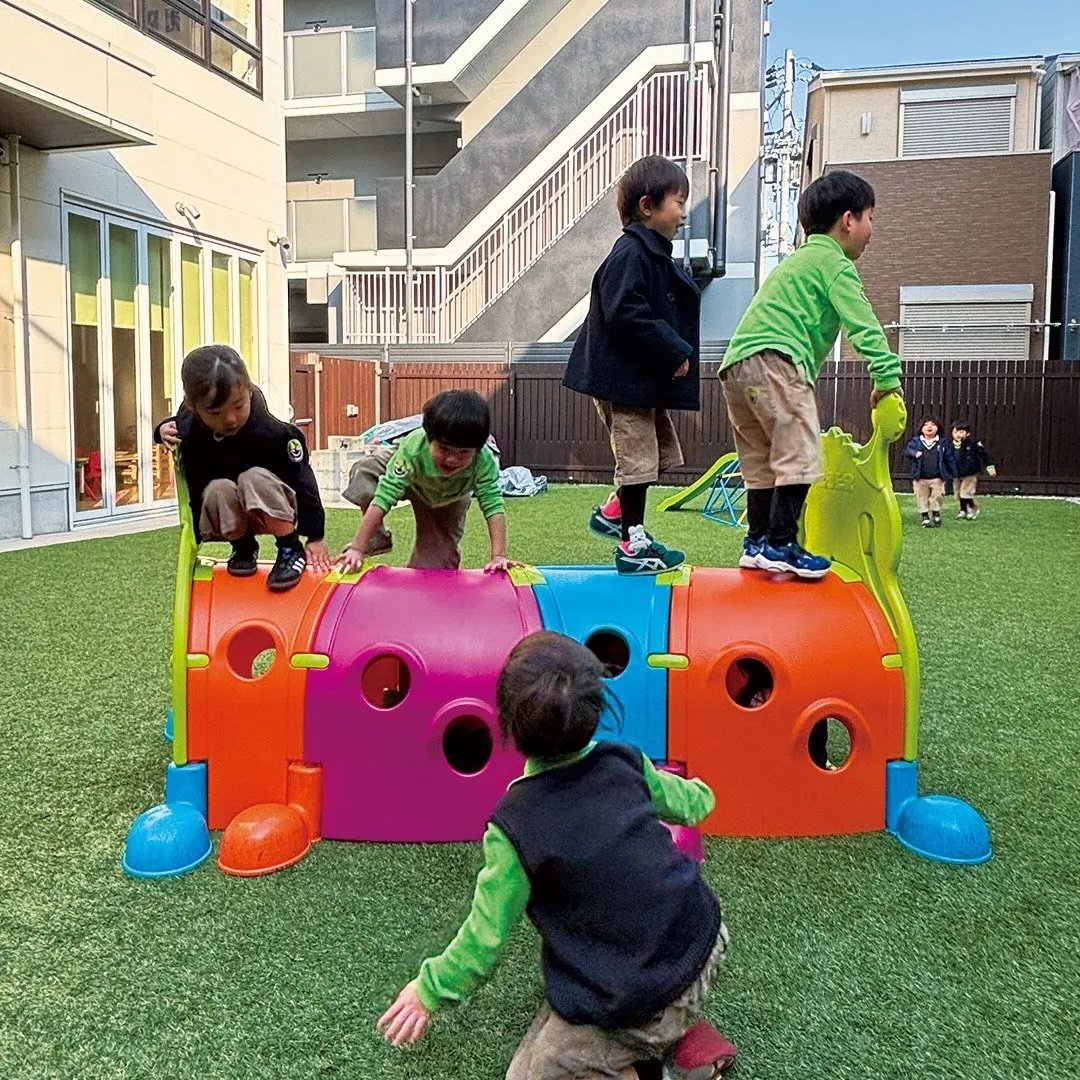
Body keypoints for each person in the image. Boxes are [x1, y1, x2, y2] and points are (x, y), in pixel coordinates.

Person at [377, 631, 737, 1080]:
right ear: (596, 707)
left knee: (530, 1075)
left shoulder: (514, 825)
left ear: (507, 725)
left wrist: (428, 989)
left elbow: (484, 939)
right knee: (609, 989)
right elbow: (691, 803)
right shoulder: (624, 759)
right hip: (704, 940)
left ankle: (654, 1058)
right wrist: (702, 792)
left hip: (642, 989)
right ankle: (678, 1035)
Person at [718, 170, 903, 579]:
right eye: (871, 217)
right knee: (801, 453)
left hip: (736, 366)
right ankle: (782, 543)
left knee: (762, 462)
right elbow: (864, 325)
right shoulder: (833, 264)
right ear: (848, 219)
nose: (872, 229)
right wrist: (887, 377)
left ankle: (758, 542)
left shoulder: (797, 261)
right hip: (777, 361)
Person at [563, 155, 700, 576]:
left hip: (639, 381)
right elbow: (626, 312)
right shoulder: (630, 253)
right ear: (648, 206)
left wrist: (671, 350)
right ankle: (630, 540)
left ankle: (615, 511)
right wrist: (672, 348)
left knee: (656, 453)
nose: (683, 212)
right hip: (623, 381)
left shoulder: (651, 254)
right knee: (638, 456)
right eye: (678, 201)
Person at [155, 345, 330, 591]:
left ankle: (290, 548)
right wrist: (161, 430)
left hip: (275, 509)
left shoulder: (272, 434)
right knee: (219, 488)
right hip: (224, 518)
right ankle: (243, 548)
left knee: (253, 478)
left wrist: (315, 536)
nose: (230, 419)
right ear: (194, 407)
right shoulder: (190, 423)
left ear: (248, 391)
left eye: (238, 406)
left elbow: (302, 479)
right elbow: (176, 424)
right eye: (215, 412)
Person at [340, 389, 515, 573]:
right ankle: (376, 537)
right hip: (411, 477)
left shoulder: (483, 461)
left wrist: (498, 556)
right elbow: (385, 496)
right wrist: (357, 548)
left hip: (449, 498)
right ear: (428, 437)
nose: (452, 459)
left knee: (433, 568)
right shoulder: (414, 449)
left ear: (477, 449)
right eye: (444, 449)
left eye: (463, 452)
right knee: (366, 470)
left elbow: (493, 505)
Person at [904, 417, 956, 528]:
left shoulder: (942, 443)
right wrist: (914, 453)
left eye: (932, 425)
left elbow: (949, 458)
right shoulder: (916, 442)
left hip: (937, 477)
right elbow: (907, 450)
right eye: (926, 424)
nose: (929, 427)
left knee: (937, 496)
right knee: (921, 496)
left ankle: (936, 512)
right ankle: (925, 516)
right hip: (920, 477)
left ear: (938, 428)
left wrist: (954, 472)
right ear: (921, 428)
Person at [950, 421, 996, 519]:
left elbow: (984, 455)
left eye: (961, 432)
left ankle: (972, 509)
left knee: (966, 492)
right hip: (956, 473)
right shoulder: (950, 445)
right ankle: (963, 510)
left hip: (970, 472)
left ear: (967, 433)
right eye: (956, 432)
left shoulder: (973, 444)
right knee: (958, 493)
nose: (958, 435)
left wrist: (990, 466)